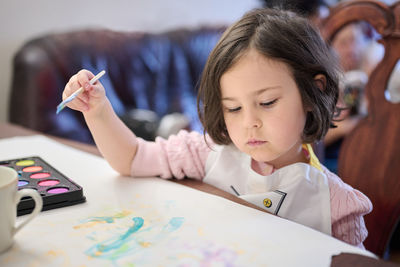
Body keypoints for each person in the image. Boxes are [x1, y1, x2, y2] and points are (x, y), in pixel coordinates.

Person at [61, 8, 372, 248]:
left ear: (311, 93)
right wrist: (98, 111)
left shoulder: (337, 206)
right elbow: (131, 159)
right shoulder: (206, 153)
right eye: (233, 108)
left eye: (267, 102)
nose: (249, 122)